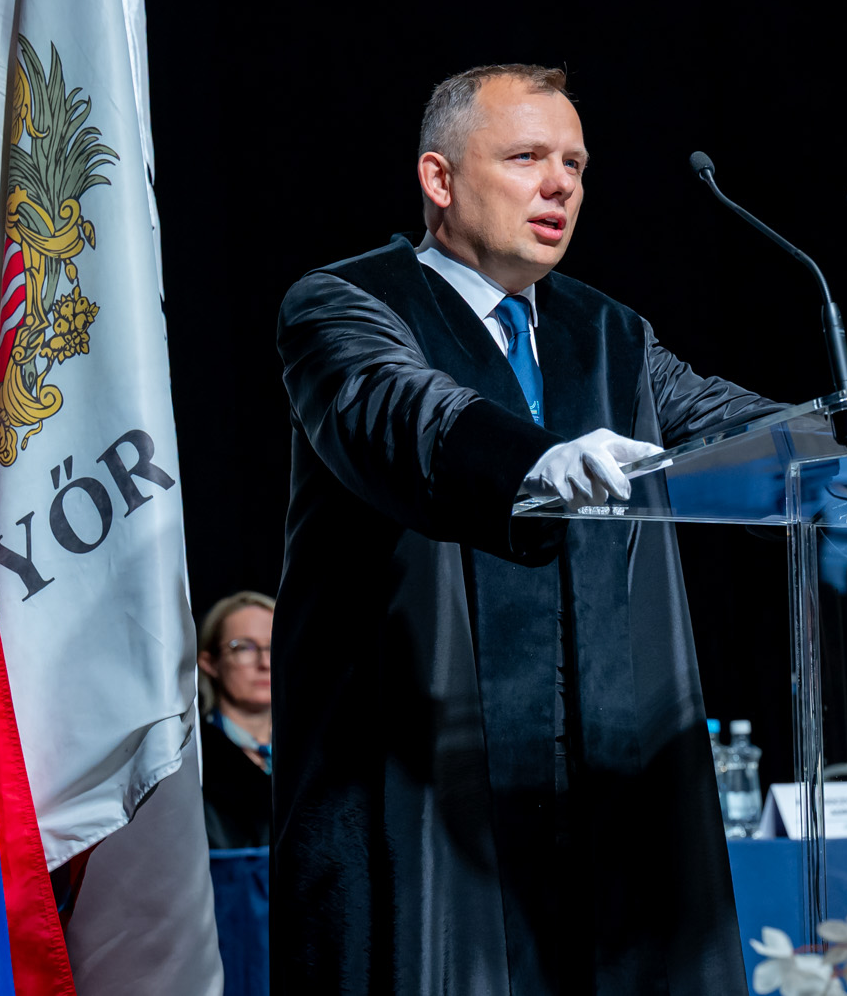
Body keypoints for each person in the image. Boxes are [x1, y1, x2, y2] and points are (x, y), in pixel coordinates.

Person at [272, 65, 777, 994]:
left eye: (576, 164)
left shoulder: (609, 333)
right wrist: (526, 463)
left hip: (601, 806)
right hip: (423, 800)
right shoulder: (346, 304)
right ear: (439, 178)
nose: (562, 185)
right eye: (527, 157)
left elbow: (726, 425)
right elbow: (396, 409)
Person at [197, 591, 276, 849]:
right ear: (210, 663)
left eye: (275, 645)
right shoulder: (188, 761)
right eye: (243, 647)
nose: (265, 662)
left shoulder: (323, 756)